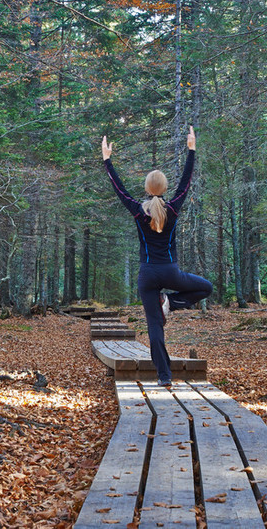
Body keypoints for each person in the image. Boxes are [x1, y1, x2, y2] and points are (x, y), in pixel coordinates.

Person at [101, 127, 212, 388]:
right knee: (206, 288)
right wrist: (191, 151)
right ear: (163, 188)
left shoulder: (139, 212)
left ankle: (164, 377)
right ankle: (171, 304)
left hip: (147, 275)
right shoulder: (172, 209)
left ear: (147, 188)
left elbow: (120, 190)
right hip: (171, 272)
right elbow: (186, 183)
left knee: (154, 327)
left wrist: (108, 161)